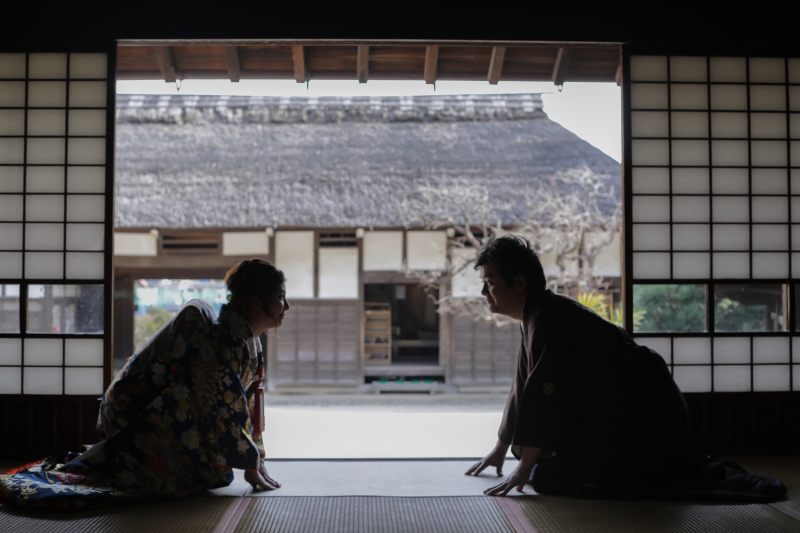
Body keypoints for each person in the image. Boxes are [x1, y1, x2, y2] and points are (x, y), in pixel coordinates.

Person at [465, 235, 786, 501]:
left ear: (519, 283)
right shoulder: (539, 314)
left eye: (490, 283)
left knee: (545, 477)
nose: (483, 293)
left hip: (643, 412)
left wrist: (522, 469)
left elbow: (542, 398)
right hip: (621, 412)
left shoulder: (550, 318)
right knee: (543, 471)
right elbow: (524, 387)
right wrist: (500, 449)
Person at [0, 259, 288, 511]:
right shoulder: (224, 341)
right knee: (188, 474)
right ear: (254, 300)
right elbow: (226, 410)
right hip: (131, 416)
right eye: (279, 297)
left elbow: (246, 404)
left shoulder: (246, 339)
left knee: (211, 474)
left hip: (152, 414)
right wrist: (250, 463)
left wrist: (256, 457)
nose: (286, 306)